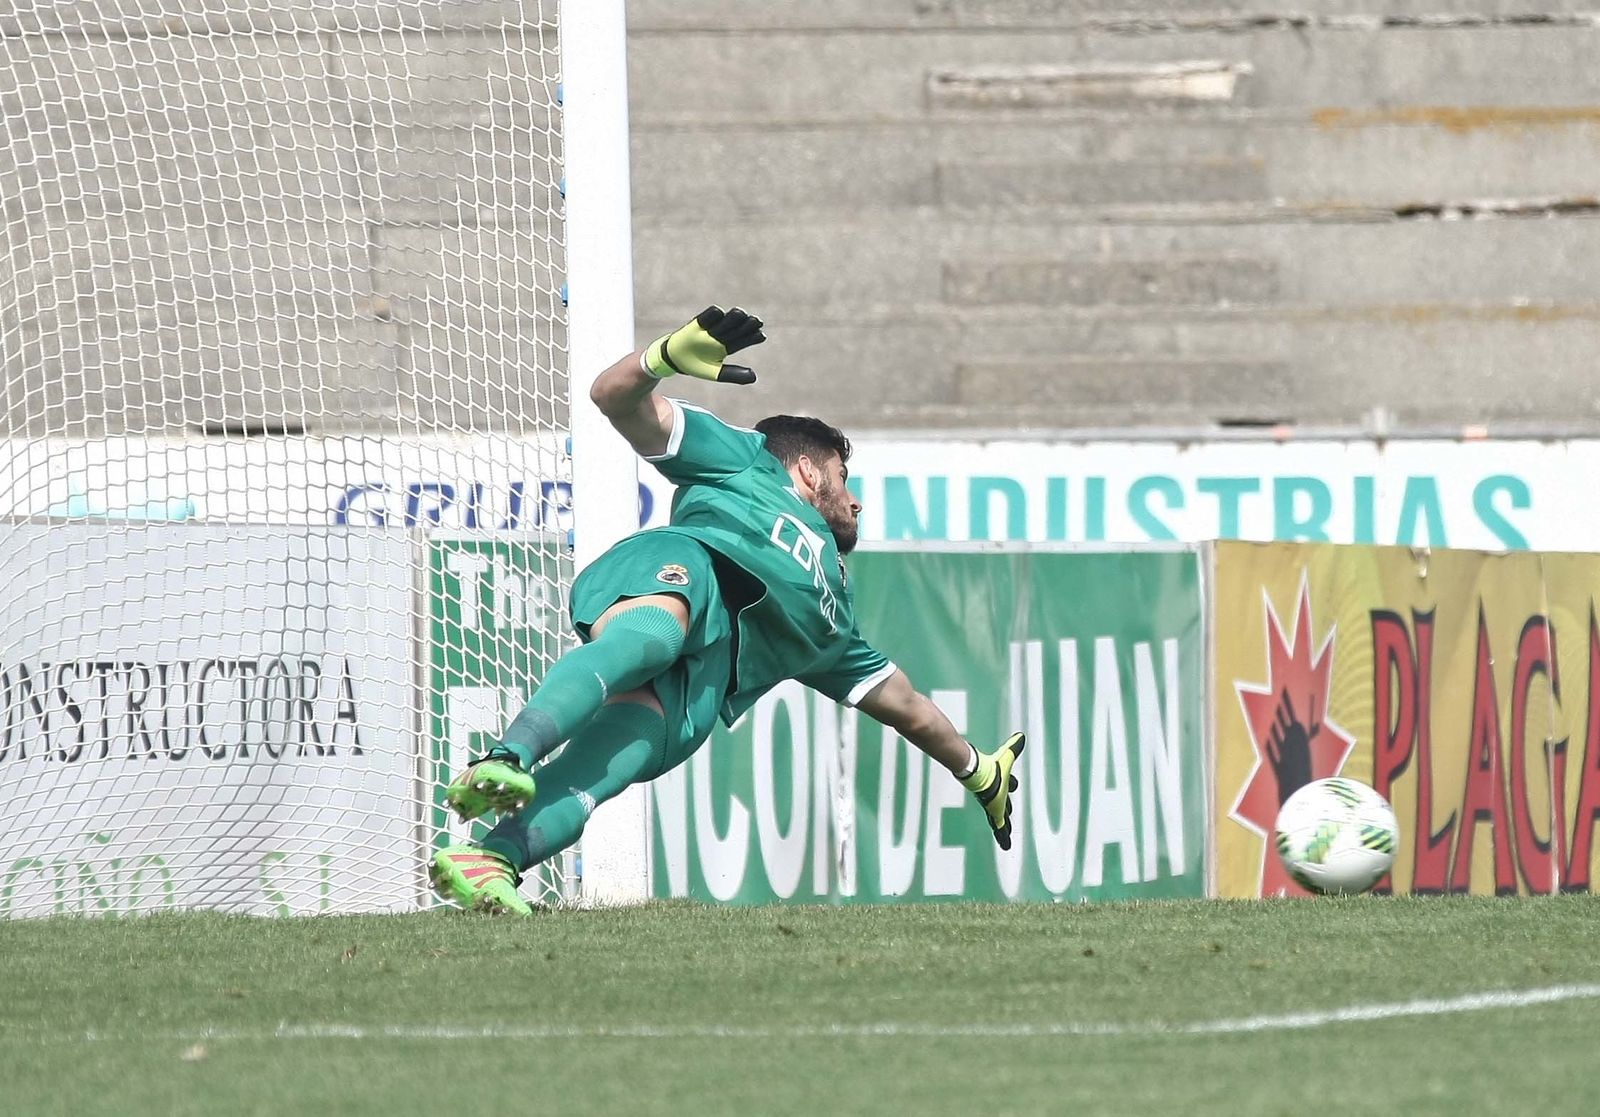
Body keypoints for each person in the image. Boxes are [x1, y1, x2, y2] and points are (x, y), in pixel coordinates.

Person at [429, 306, 1025, 913]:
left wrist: (979, 771)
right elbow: (612, 396)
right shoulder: (750, 462)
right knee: (652, 639)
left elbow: (910, 709)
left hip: (707, 676)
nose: (858, 500)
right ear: (808, 468)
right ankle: (506, 757)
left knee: (615, 763)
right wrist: (661, 359)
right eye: (845, 477)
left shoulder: (832, 619)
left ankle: (491, 860)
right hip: (685, 570)